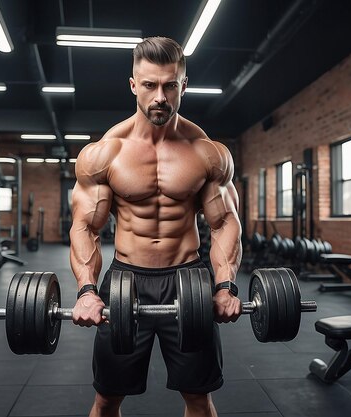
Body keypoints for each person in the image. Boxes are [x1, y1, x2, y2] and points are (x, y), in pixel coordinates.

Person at [70, 36, 242, 417]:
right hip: (126, 280)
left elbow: (226, 223)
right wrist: (85, 291)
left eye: (169, 85)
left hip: (189, 279)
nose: (159, 96)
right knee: (107, 398)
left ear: (183, 85)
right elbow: (84, 227)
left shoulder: (207, 153)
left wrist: (226, 285)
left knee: (199, 397)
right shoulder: (104, 154)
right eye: (149, 85)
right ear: (134, 85)